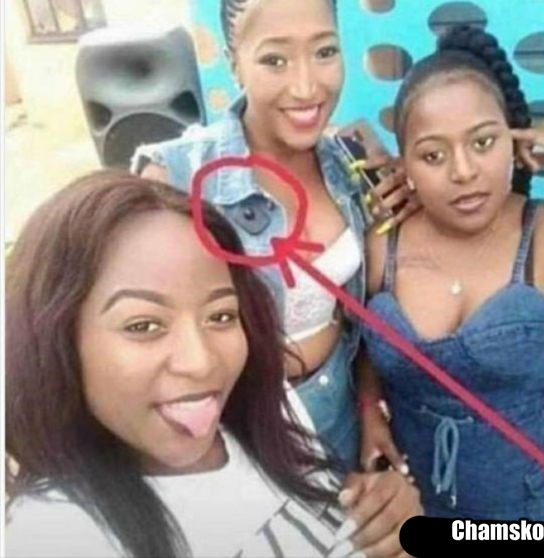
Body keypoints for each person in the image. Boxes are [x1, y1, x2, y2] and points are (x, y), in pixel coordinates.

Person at [5, 171, 417, 558]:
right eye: (143, 325)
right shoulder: (55, 533)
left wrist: (386, 522)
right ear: (55, 341)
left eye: (220, 316)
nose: (201, 363)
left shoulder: (268, 411)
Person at [131, 0, 414, 471]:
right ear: (234, 64)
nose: (306, 87)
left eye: (324, 52)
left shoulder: (353, 160)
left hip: (340, 414)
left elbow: (367, 312)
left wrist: (369, 409)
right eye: (274, 59)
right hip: (237, 437)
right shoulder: (175, 177)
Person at [359, 24, 544, 521]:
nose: (464, 171)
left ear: (514, 139)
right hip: (410, 512)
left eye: (484, 142)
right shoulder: (384, 240)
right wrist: (367, 406)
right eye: (433, 155)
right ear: (405, 166)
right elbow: (363, 339)